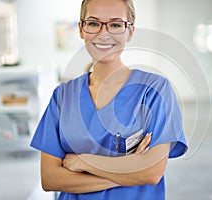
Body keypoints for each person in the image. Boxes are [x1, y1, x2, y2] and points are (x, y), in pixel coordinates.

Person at [30, 0, 187, 199]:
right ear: (81, 29)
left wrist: (83, 162)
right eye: (94, 23)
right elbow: (51, 178)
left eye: (115, 24)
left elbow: (152, 172)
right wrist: (128, 172)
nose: (104, 34)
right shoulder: (63, 96)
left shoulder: (155, 91)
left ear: (130, 31)